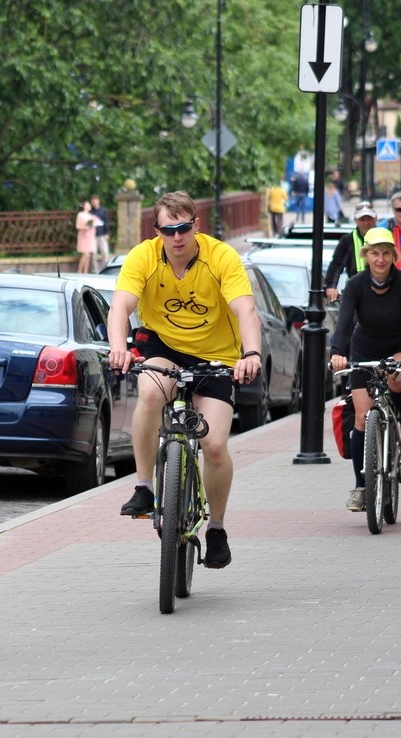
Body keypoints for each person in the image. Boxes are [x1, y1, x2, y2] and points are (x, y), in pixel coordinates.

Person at [106, 191, 262, 569]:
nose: (177, 238)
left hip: (217, 356)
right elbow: (120, 307)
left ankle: (217, 529)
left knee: (213, 445)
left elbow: (246, 308)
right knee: (149, 392)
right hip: (165, 346)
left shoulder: (220, 256)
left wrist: (251, 353)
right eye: (167, 230)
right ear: (156, 230)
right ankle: (144, 487)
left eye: (183, 228)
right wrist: (118, 349)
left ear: (197, 225)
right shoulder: (143, 256)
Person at [329, 227, 401, 512]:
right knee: (361, 417)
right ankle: (361, 486)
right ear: (366, 256)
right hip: (364, 348)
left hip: (398, 345)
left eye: (386, 253)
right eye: (374, 253)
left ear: (394, 256)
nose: (381, 259)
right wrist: (337, 353)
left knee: (397, 379)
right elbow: (344, 323)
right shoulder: (356, 284)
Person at [324, 201, 377, 301]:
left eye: (369, 218)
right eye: (362, 219)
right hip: (355, 293)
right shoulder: (347, 240)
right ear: (355, 220)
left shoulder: (384, 238)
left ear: (375, 219)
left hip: (381, 292)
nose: (366, 223)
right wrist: (331, 286)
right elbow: (336, 265)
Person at [75, 199, 96, 273]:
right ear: (84, 206)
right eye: (88, 204)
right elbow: (77, 226)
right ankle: (79, 270)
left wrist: (92, 225)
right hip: (83, 235)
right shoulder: (80, 214)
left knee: (89, 255)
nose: (89, 206)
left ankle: (85, 271)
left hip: (89, 236)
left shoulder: (90, 215)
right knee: (85, 254)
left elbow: (92, 225)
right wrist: (85, 227)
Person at [90, 193, 111, 269]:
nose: (94, 202)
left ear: (98, 201)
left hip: (102, 234)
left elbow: (106, 222)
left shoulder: (103, 211)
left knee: (105, 253)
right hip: (93, 236)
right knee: (93, 254)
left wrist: (107, 233)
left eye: (95, 200)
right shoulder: (90, 211)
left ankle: (105, 268)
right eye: (93, 201)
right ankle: (95, 271)